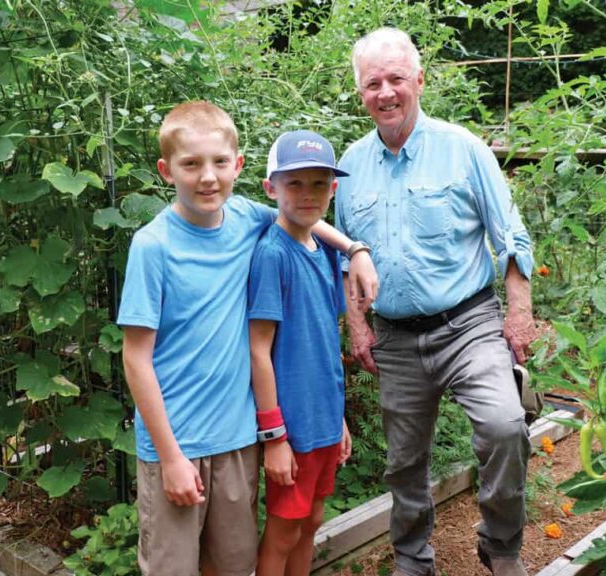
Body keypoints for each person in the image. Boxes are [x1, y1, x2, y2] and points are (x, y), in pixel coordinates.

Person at [117, 101, 377, 576]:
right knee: (172, 568)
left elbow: (303, 212)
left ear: (237, 165)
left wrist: (355, 249)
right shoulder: (152, 246)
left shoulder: (243, 216)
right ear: (165, 170)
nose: (207, 177)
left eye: (219, 162)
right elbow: (136, 359)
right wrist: (171, 457)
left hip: (238, 440)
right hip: (177, 443)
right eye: (191, 164)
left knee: (234, 565)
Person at [334, 29, 539, 576]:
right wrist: (358, 327)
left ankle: (500, 544)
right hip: (395, 335)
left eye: (396, 78)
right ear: (360, 93)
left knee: (503, 425)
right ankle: (412, 557)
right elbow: (343, 261)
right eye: (372, 83)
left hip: (468, 322)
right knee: (403, 462)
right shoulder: (349, 169)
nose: (385, 92)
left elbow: (511, 236)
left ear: (419, 81)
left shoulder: (463, 149)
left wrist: (518, 313)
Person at [248, 130, 355, 576]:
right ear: (270, 188)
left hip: (324, 421)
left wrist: (340, 419)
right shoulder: (272, 254)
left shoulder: (325, 251)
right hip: (292, 428)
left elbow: (325, 339)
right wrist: (274, 438)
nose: (307, 195)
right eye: (294, 184)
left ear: (332, 189)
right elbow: (258, 350)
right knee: (284, 529)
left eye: (318, 184)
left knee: (311, 520)